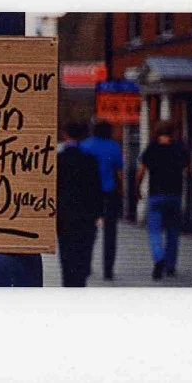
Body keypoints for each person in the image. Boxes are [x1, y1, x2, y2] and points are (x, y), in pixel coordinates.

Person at [135, 120, 189, 280]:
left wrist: (137, 189)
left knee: (154, 231)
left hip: (156, 195)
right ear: (172, 132)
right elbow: (188, 168)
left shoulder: (152, 148)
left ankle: (159, 258)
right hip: (175, 195)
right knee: (173, 232)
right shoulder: (179, 148)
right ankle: (171, 266)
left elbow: (141, 171)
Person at [56, 122, 103, 287]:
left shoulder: (59, 160)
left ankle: (68, 283)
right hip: (86, 217)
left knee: (66, 253)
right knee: (83, 252)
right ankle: (80, 282)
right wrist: (98, 213)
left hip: (64, 216)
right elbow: (96, 189)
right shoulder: (90, 160)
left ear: (65, 135)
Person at [81, 121, 124, 280]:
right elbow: (119, 172)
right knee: (110, 232)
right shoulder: (114, 146)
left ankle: (85, 264)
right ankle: (108, 269)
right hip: (108, 192)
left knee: (87, 230)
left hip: (88, 194)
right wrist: (123, 190)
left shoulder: (85, 145)